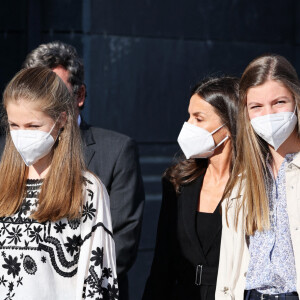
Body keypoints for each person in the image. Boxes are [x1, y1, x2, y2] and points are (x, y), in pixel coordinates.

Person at [21, 41, 145, 299]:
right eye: (38, 93)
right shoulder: (7, 151)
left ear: (79, 96)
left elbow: (121, 241)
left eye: (57, 93)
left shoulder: (117, 151)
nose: (47, 103)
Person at [0, 67, 118, 299]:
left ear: (62, 119)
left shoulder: (86, 190)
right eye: (14, 125)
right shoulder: (2, 186)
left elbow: (98, 281)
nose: (22, 135)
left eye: (33, 126)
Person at [142, 76, 239, 300]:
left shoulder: (253, 185)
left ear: (229, 124)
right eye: (189, 116)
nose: (189, 126)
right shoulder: (177, 181)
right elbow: (162, 263)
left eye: (198, 118)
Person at [216, 54, 300, 299]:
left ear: (296, 100)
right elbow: (230, 263)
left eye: (279, 102)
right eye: (256, 106)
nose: (269, 114)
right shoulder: (243, 180)